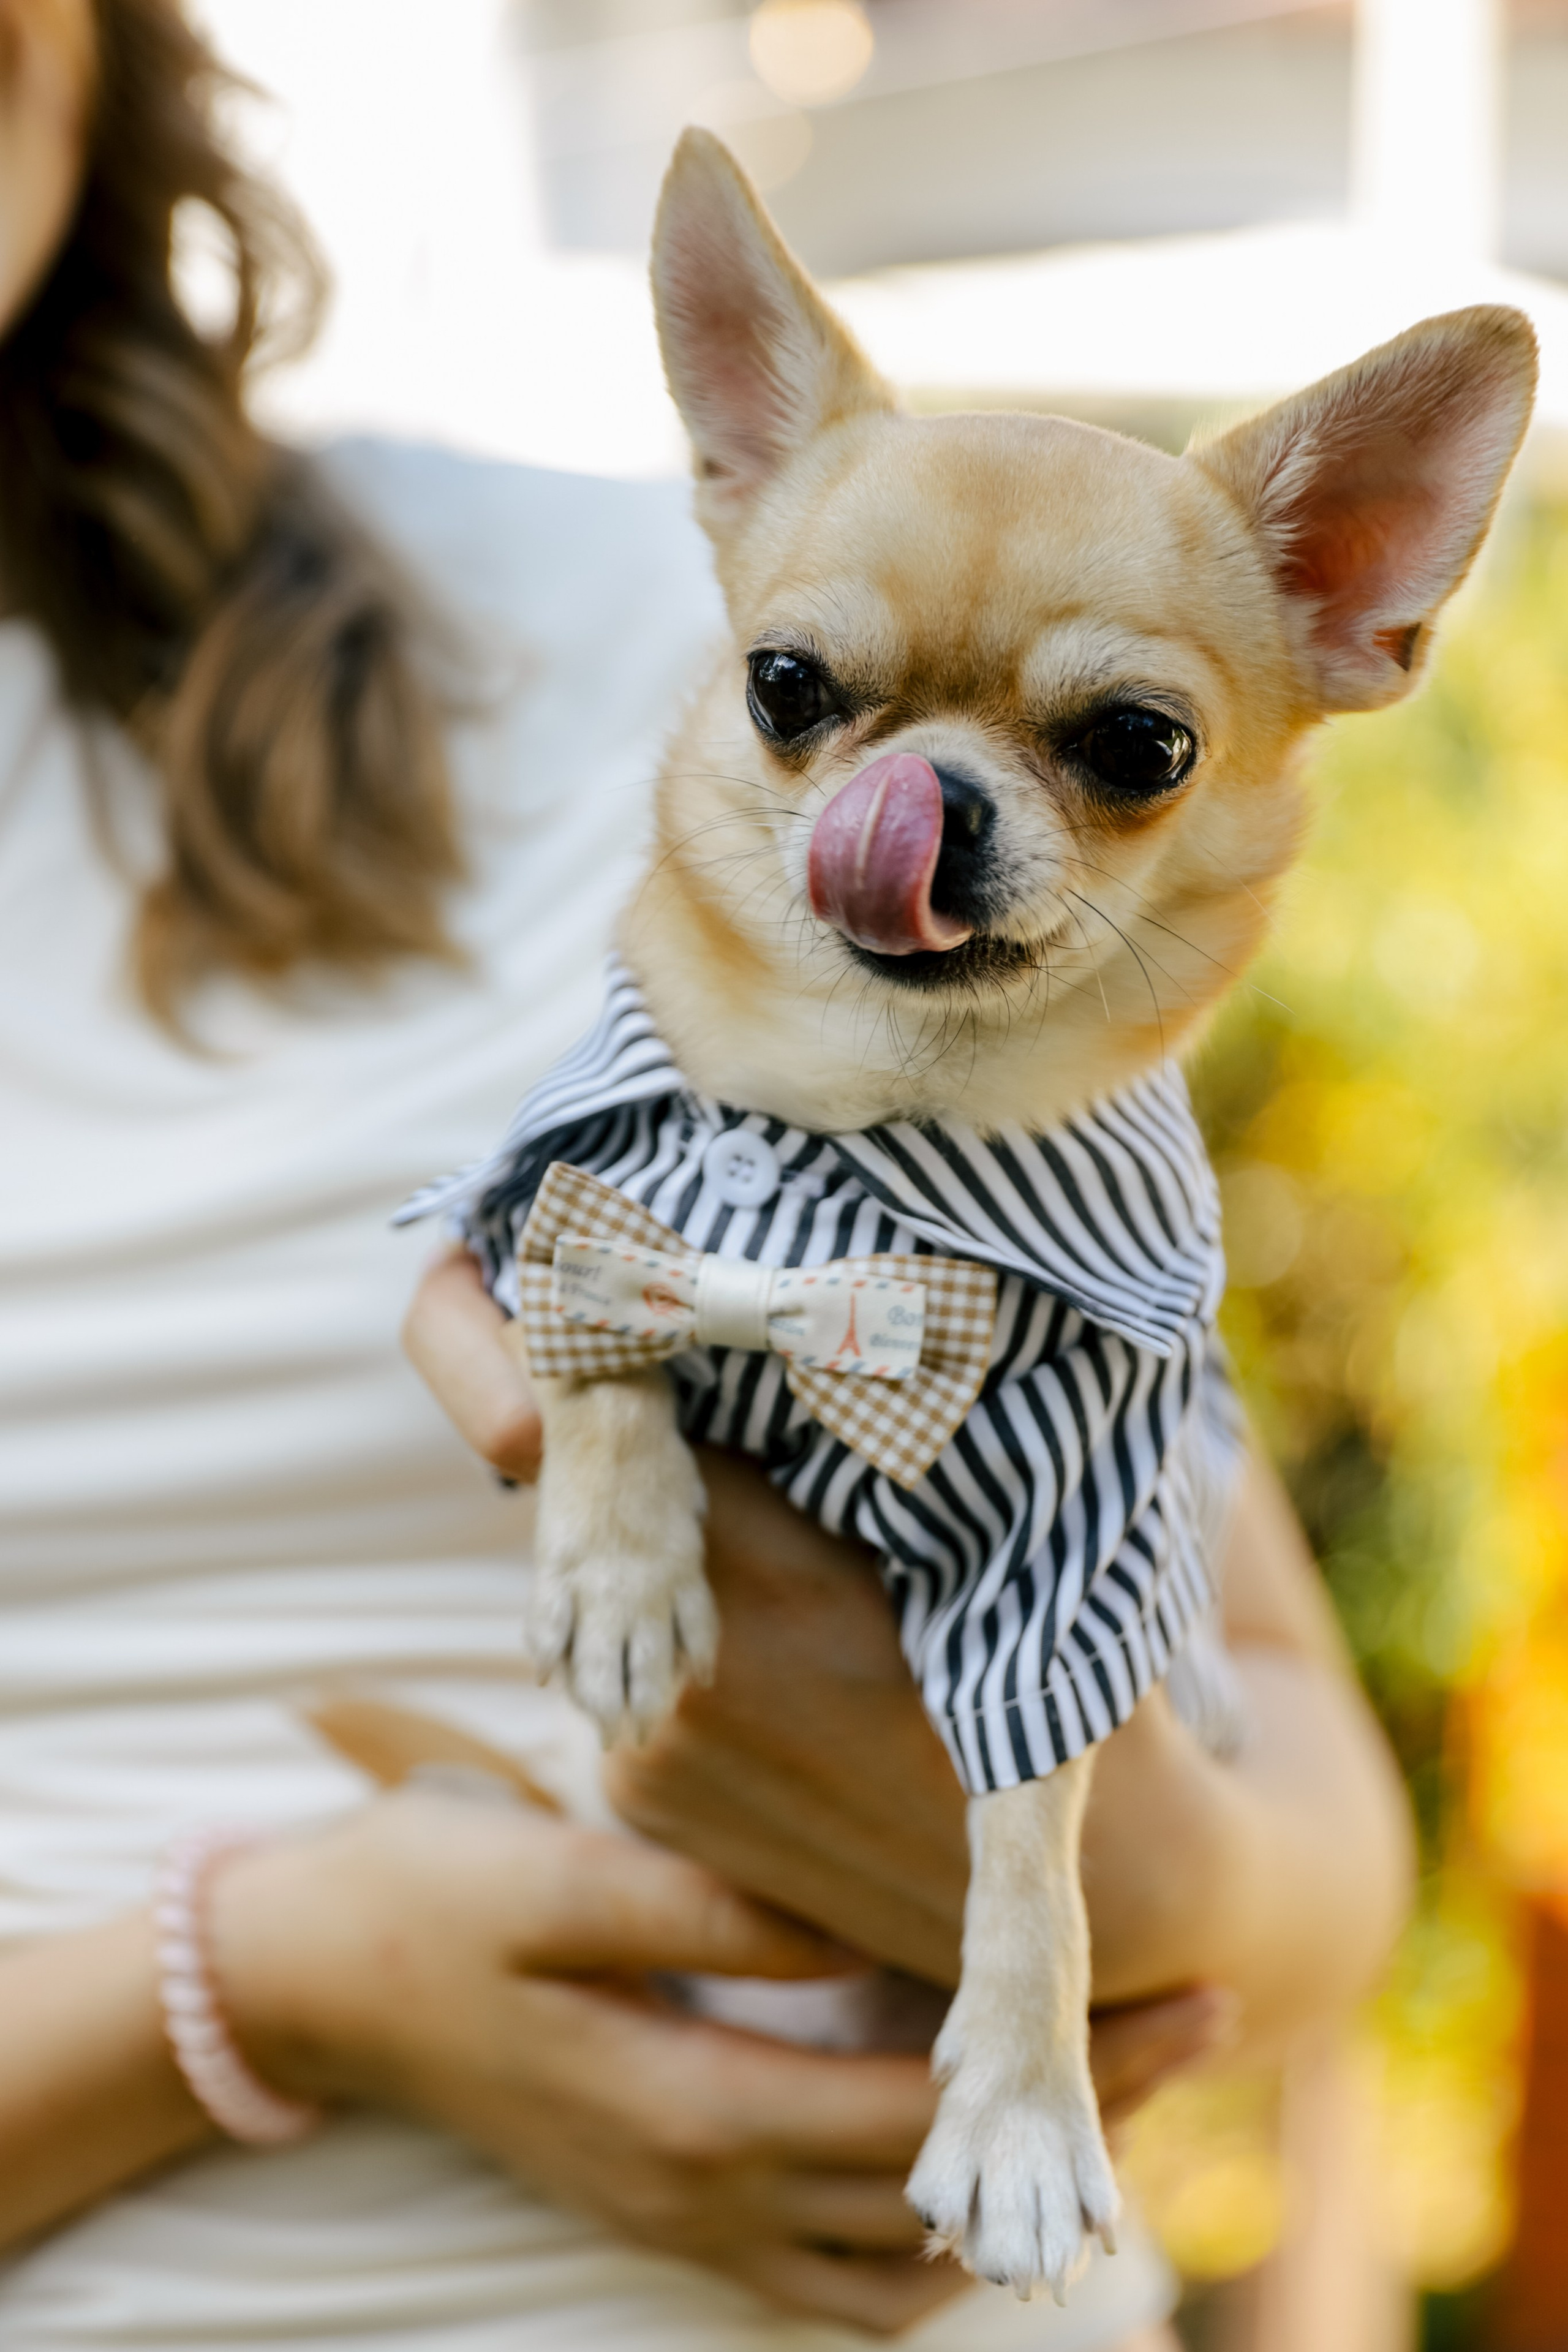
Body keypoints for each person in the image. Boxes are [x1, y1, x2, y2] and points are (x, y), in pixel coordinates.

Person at [0, 0, 1414, 2343]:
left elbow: (1322, 1846)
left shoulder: (728, 603)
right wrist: (287, 1976)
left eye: (1117, 745)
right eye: (813, 714)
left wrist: (1141, 1885)